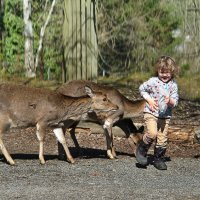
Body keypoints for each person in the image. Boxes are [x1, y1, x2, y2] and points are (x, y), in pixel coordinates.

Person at [135, 55, 179, 170]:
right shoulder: (153, 81)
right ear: (157, 71)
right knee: (152, 133)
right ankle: (142, 150)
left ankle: (158, 158)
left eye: (167, 72)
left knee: (162, 138)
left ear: (172, 72)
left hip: (165, 116)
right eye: (162, 72)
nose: (164, 75)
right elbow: (141, 89)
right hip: (151, 112)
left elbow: (175, 101)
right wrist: (149, 99)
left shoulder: (173, 86)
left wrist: (170, 101)